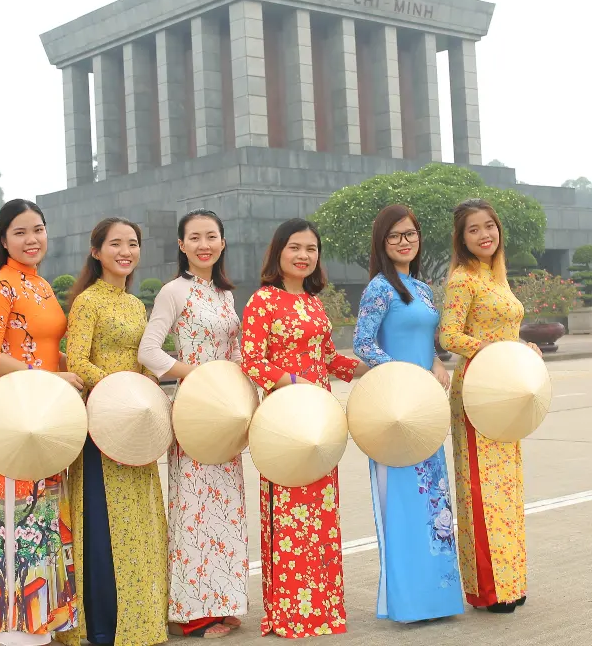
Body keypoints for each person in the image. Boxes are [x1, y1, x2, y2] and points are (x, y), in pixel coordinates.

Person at [240, 217, 368, 638]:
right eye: (295, 247)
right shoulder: (264, 301)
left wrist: (369, 370)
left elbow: (329, 357)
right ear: (278, 252)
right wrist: (295, 382)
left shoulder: (314, 303)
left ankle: (322, 609)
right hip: (285, 421)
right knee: (290, 515)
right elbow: (253, 361)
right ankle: (289, 613)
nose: (303, 256)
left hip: (320, 420)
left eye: (311, 249)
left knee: (321, 514)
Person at [0, 199, 84, 646]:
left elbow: (49, 344)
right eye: (20, 232)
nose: (32, 239)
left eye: (38, 229)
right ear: (3, 240)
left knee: (44, 514)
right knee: (13, 515)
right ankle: (13, 628)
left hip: (46, 415)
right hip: (17, 417)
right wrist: (49, 378)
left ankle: (41, 619)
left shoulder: (40, 285)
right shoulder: (2, 286)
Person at [55, 217, 168, 646]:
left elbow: (144, 359)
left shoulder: (136, 305)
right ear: (96, 250)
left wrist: (143, 386)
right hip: (102, 425)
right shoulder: (88, 301)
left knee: (138, 519)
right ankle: (104, 622)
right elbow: (77, 362)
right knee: (105, 522)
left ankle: (141, 618)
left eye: (133, 243)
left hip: (135, 425)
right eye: (116, 244)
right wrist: (119, 389)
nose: (125, 251)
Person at [137, 209, 248, 640]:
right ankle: (195, 612)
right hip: (195, 409)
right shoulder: (173, 291)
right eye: (195, 238)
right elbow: (150, 350)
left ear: (222, 242)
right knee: (195, 508)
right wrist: (194, 374)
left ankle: (224, 602)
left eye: (212, 236)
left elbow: (236, 351)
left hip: (227, 408)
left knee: (226, 508)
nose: (205, 244)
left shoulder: (225, 295)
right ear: (181, 245)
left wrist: (240, 387)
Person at [352, 205, 464, 623]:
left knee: (434, 503)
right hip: (395, 409)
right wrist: (401, 372)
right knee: (400, 503)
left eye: (411, 234)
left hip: (425, 410)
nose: (405, 241)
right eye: (395, 235)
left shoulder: (421, 288)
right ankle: (409, 604)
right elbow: (364, 344)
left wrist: (436, 361)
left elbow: (429, 340)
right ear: (382, 243)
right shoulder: (379, 288)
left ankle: (438, 599)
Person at [437, 198, 542, 615]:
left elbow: (505, 331)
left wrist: (520, 348)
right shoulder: (464, 278)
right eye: (474, 229)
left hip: (506, 389)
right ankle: (489, 588)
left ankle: (511, 579)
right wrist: (496, 351)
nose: (485, 235)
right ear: (462, 239)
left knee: (508, 488)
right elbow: (449, 335)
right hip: (479, 390)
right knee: (482, 489)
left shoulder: (497, 277)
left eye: (489, 226)